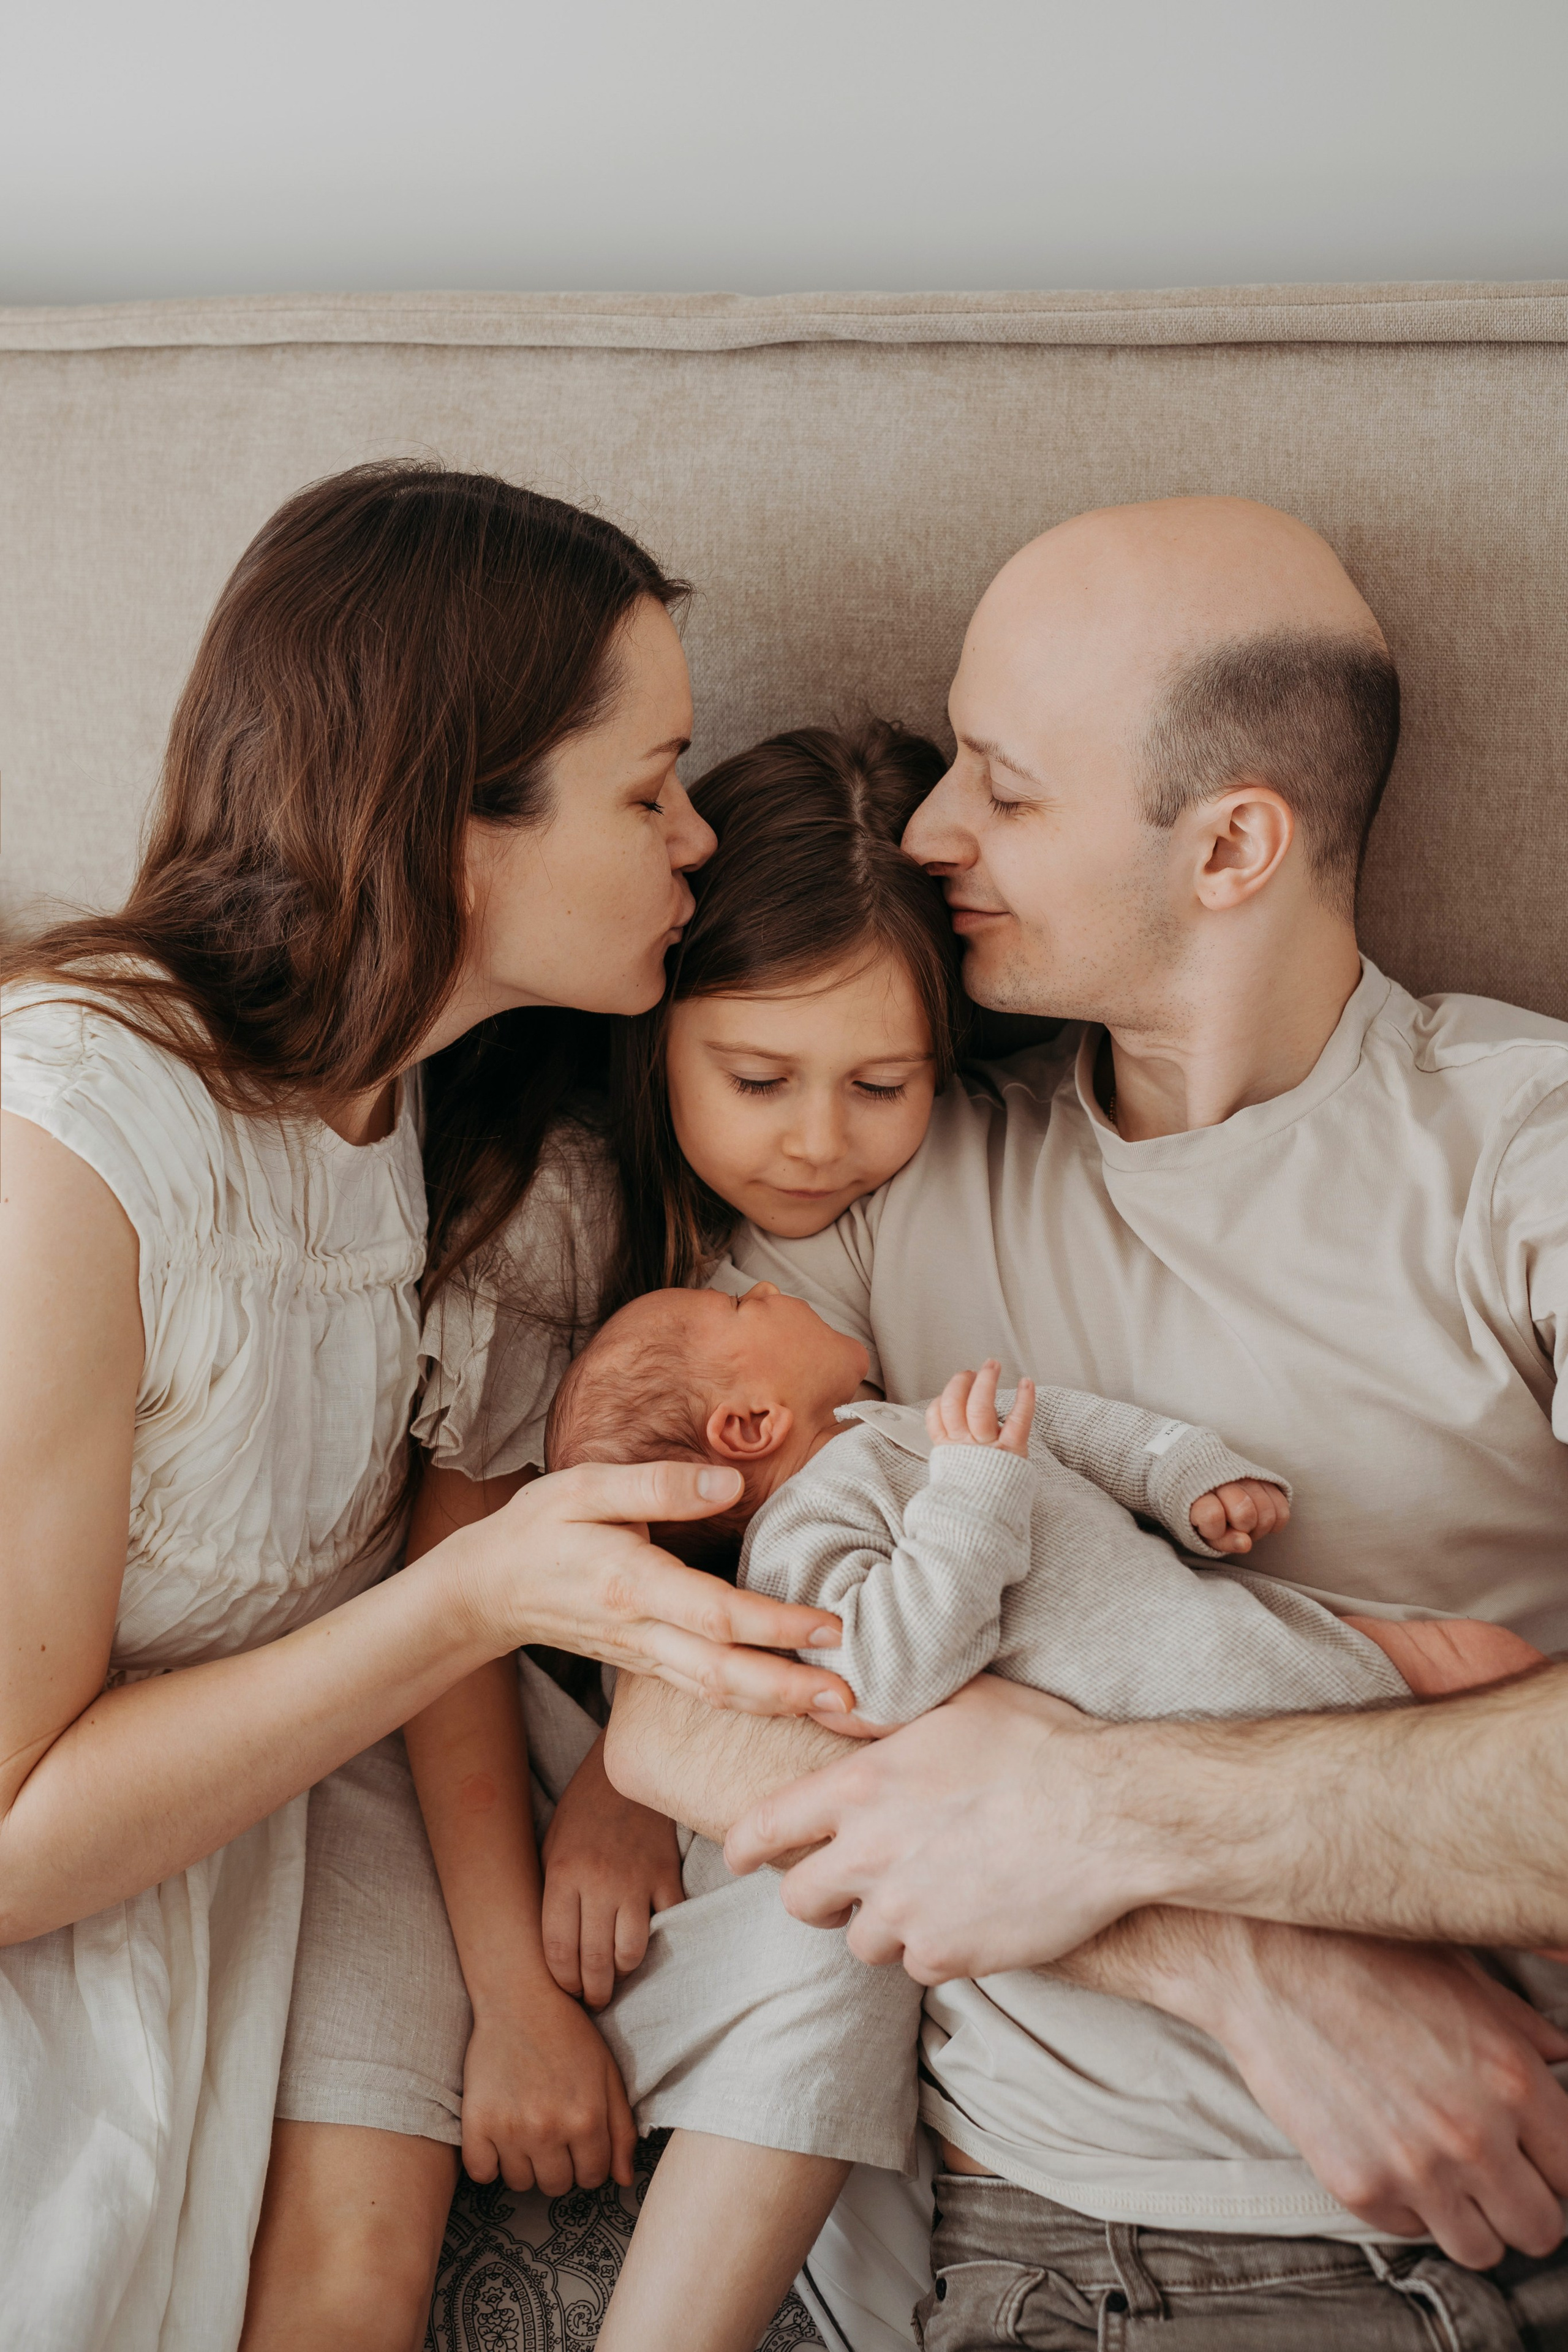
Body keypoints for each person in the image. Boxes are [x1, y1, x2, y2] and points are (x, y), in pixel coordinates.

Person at [605, 494, 1568, 2343]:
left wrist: (1102, 1804)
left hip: (1472, 2228)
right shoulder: (881, 1177)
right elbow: (671, 1699)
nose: (932, 832)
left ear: (1231, 847)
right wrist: (1244, 1961)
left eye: (1007, 785)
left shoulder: (1520, 1155)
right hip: (1052, 2244)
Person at [0, 464, 853, 2352]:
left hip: (257, 1870)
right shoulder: (74, 1141)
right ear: (457, 827)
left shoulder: (422, 1118)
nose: (699, 838)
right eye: (650, 790)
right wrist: (472, 1600)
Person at [258, 720, 976, 2352]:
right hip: (452, 1742)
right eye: (758, 1079)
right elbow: (453, 1604)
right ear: (658, 1035)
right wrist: (514, 1997)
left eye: (884, 1085)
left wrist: (631, 1780)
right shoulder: (569, 1210)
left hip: (698, 1754)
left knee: (846, 1930)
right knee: (349, 2249)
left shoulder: (914, 1231)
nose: (819, 1140)